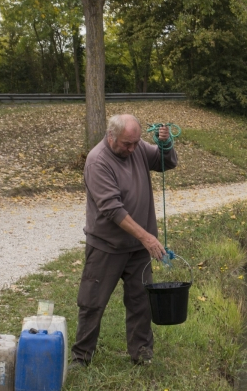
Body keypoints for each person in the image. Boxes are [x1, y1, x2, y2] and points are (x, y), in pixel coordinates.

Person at [70, 114, 177, 367]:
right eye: (126, 144)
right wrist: (147, 237)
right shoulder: (98, 161)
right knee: (92, 302)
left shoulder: (136, 147)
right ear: (111, 136)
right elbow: (113, 210)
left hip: (138, 248)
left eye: (136, 143)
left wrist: (166, 144)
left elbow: (165, 163)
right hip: (106, 246)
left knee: (141, 301)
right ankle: (81, 357)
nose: (132, 149)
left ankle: (141, 353)